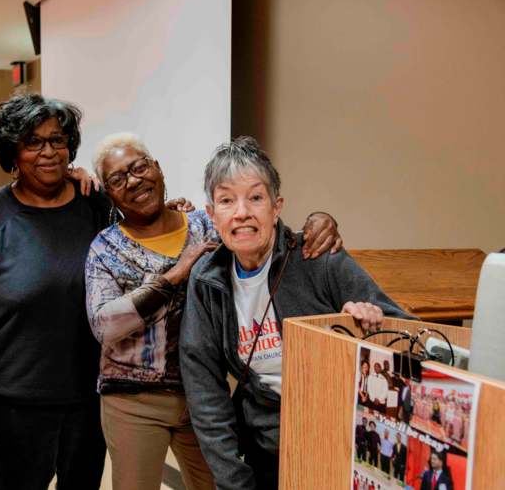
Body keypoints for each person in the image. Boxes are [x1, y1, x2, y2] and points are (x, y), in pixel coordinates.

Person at [84, 133, 341, 490]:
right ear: (108, 193)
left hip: (205, 397)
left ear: (156, 168)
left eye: (139, 167)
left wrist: (319, 220)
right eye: (117, 179)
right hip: (135, 400)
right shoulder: (105, 248)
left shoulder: (204, 225)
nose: (133, 180)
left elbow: (259, 237)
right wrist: (175, 275)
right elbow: (103, 326)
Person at [179, 138, 411, 489]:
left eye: (256, 197)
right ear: (212, 215)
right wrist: (233, 481)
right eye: (227, 200)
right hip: (268, 446)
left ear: (277, 207)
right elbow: (204, 393)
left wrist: (368, 328)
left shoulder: (319, 257)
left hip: (342, 444)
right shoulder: (207, 279)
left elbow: (410, 337)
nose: (242, 212)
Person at [0, 93, 113, 490]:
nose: (48, 152)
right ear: (12, 153)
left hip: (89, 398)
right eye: (33, 142)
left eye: (57, 140)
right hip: (14, 403)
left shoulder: (96, 205)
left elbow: (146, 233)